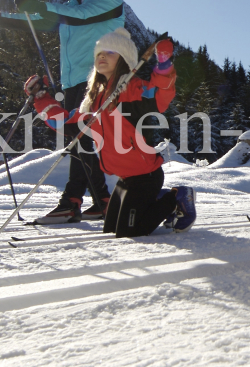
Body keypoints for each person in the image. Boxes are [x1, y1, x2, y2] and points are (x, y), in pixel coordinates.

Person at [0, 0, 125, 223]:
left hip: (100, 77)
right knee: (80, 138)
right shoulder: (71, 5)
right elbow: (36, 21)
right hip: (75, 81)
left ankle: (73, 202)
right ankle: (101, 201)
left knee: (79, 136)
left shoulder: (108, 0)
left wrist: (38, 4)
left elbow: (82, 17)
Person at [24, 28, 195, 235]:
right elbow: (65, 122)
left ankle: (176, 198)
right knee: (111, 231)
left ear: (124, 59)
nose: (103, 55)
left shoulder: (132, 90)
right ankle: (157, 199)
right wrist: (41, 98)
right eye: (99, 53)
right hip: (124, 179)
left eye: (111, 52)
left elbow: (161, 95)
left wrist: (164, 64)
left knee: (130, 232)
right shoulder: (95, 100)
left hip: (145, 176)